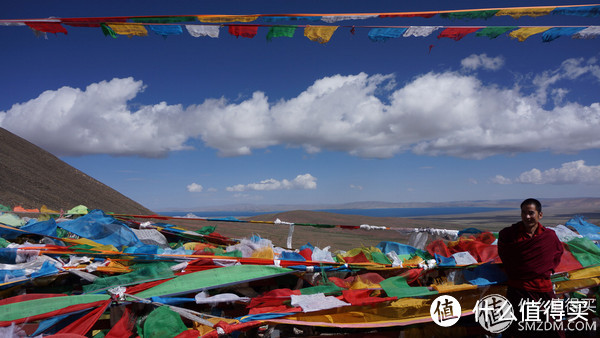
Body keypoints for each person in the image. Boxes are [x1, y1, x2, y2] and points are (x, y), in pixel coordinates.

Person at [497, 198, 564, 337]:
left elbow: (557, 254)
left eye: (531, 213)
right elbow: (505, 256)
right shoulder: (509, 235)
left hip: (543, 288)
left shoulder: (549, 236)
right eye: (523, 213)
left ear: (540, 215)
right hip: (519, 289)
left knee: (552, 328)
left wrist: (544, 269)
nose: (527, 217)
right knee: (521, 329)